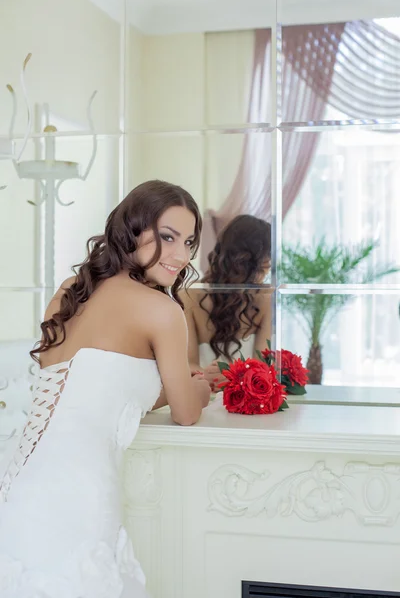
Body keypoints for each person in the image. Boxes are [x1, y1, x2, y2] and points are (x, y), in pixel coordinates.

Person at [0, 180, 211, 597]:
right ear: (132, 229)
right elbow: (187, 413)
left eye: (188, 242)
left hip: (16, 482)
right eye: (167, 237)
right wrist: (200, 389)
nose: (181, 255)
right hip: (77, 495)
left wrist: (172, 387)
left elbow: (96, 390)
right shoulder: (162, 310)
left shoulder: (70, 292)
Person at [181, 214, 271, 391]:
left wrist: (230, 378)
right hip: (205, 395)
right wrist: (219, 378)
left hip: (243, 397)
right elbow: (187, 366)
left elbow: (264, 368)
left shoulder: (267, 298)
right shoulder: (189, 295)